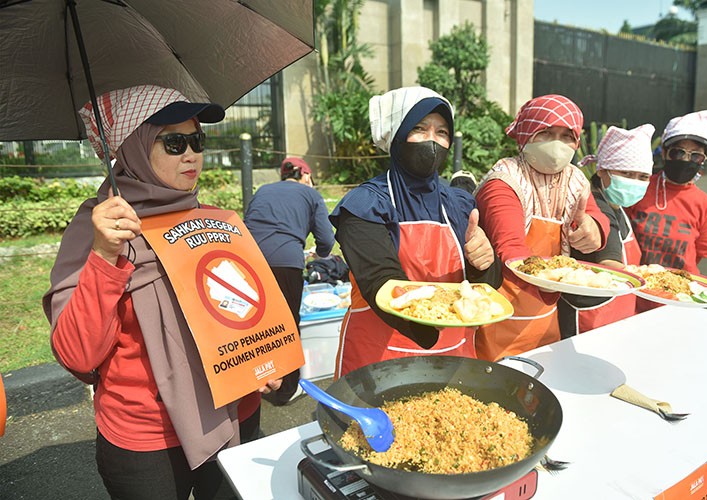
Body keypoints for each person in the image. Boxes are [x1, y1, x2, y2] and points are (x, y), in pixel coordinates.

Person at [42, 85, 281, 500]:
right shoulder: (98, 230)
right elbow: (78, 353)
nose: (191, 155)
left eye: (197, 141)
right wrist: (104, 256)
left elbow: (243, 312)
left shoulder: (216, 222)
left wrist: (265, 359)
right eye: (174, 143)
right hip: (147, 437)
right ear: (133, 149)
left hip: (234, 414)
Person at [329, 86, 503, 377]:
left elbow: (488, 286)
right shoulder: (366, 204)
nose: (432, 140)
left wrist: (484, 263)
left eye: (442, 132)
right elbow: (380, 281)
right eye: (419, 129)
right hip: (379, 362)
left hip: (454, 357)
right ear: (397, 135)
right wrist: (430, 327)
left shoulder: (459, 204)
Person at [474, 94, 611, 360]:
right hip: (497, 313)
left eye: (566, 136)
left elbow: (596, 216)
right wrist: (556, 278)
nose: (557, 144)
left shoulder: (574, 180)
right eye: (546, 133)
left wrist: (594, 230)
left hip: (545, 314)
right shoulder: (504, 180)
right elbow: (510, 247)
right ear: (526, 135)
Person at [244, 157, 335, 405]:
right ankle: (286, 389)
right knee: (287, 326)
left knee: (257, 324)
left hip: (248, 261)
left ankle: (256, 381)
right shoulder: (310, 194)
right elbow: (326, 239)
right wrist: (321, 254)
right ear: (305, 175)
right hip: (286, 262)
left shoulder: (263, 190)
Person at [558, 124, 655, 338]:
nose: (634, 181)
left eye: (642, 177)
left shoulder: (617, 206)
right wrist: (655, 280)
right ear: (602, 170)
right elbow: (610, 262)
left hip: (619, 313)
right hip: (589, 318)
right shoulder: (595, 205)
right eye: (626, 173)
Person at [626, 110, 707, 275]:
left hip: (680, 287)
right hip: (637, 282)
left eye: (696, 156)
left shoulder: (705, 204)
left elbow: (700, 253)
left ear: (703, 159)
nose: (685, 160)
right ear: (664, 152)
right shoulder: (640, 187)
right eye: (678, 152)